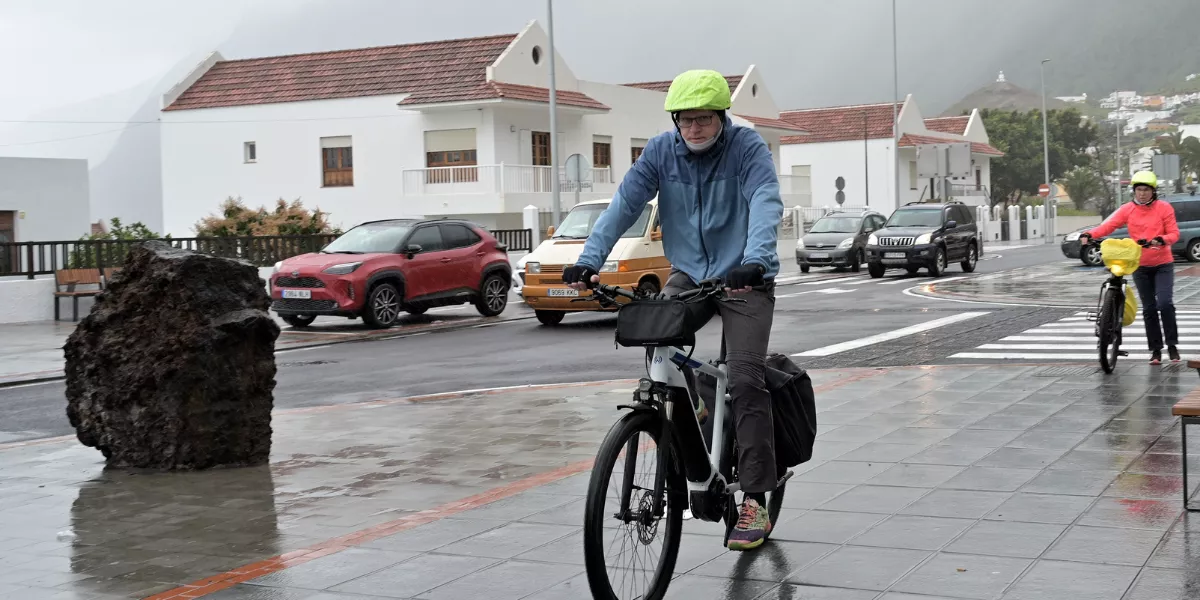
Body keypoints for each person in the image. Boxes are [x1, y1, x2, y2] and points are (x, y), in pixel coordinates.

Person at [562, 69, 784, 551]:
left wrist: (756, 260)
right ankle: (699, 423)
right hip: (690, 276)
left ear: (721, 117)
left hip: (746, 276)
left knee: (745, 379)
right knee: (658, 352)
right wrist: (587, 260)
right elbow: (624, 205)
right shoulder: (662, 152)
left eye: (704, 118)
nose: (694, 128)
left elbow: (765, 201)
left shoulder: (747, 148)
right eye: (685, 119)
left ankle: (756, 497)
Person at [1080, 170, 1181, 364]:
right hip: (1140, 265)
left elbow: (1174, 233)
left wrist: (1161, 239)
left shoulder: (1164, 208)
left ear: (1153, 191)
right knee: (1149, 308)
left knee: (1165, 304)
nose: (1142, 193)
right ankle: (1156, 350)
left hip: (1163, 264)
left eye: (1146, 190)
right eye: (1139, 189)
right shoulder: (1128, 209)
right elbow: (1109, 226)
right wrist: (1090, 233)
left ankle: (1172, 345)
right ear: (1134, 191)